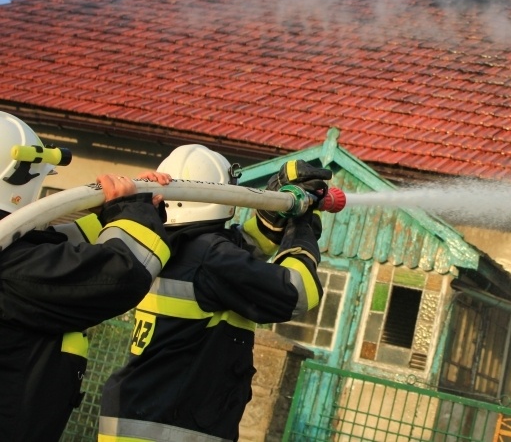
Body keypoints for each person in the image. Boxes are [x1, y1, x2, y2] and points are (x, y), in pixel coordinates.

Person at [99, 144, 330, 441]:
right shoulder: (210, 256)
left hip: (140, 418)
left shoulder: (167, 244)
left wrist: (272, 216)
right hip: (169, 430)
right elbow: (296, 293)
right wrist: (301, 228)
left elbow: (238, 258)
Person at [0, 111, 172, 442]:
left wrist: (122, 208)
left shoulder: (14, 253)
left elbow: (57, 249)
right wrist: (133, 213)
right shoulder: (13, 265)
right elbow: (122, 273)